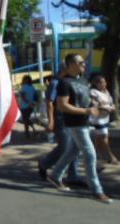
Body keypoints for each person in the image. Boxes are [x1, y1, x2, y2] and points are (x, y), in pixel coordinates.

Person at [46, 54, 113, 204]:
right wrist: (86, 111)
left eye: (84, 62)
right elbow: (62, 105)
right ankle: (96, 190)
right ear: (70, 64)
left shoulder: (83, 81)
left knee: (73, 151)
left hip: (85, 122)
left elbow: (86, 102)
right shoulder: (64, 82)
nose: (84, 64)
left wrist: (98, 107)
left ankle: (55, 175)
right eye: (80, 62)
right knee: (90, 154)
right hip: (74, 123)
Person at [37, 63, 82, 185]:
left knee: (74, 146)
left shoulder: (70, 81)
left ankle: (73, 176)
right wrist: (51, 121)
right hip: (60, 119)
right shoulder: (55, 82)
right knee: (65, 147)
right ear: (65, 69)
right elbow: (49, 103)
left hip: (72, 119)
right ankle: (44, 163)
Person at [89, 75, 119, 164]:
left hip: (105, 118)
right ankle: (111, 157)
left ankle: (92, 156)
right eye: (101, 82)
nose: (104, 84)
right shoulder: (93, 92)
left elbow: (111, 103)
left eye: (104, 82)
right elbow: (94, 103)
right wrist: (105, 108)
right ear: (96, 84)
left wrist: (112, 107)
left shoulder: (106, 92)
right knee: (104, 137)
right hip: (98, 119)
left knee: (99, 138)